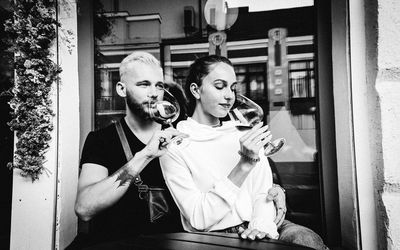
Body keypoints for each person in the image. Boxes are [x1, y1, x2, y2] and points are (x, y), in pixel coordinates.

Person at [68, 51, 288, 249]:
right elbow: (84, 208)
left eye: (159, 85)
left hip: (177, 241)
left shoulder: (182, 132)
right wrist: (144, 156)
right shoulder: (102, 140)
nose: (154, 93)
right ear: (121, 89)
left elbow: (220, 169)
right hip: (120, 242)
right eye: (144, 84)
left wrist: (272, 190)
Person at [160, 55, 329, 249]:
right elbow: (199, 218)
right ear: (196, 90)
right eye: (219, 86)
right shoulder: (176, 146)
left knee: (307, 240)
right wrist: (244, 164)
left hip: (262, 223)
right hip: (215, 236)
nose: (229, 95)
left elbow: (263, 192)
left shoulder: (243, 133)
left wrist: (261, 227)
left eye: (232, 87)